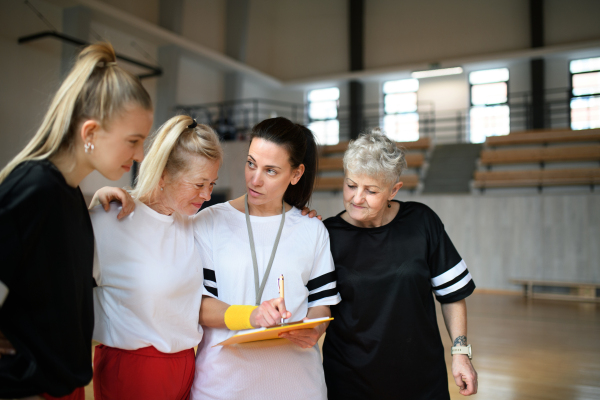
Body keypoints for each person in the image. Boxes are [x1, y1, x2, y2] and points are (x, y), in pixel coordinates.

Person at [0, 42, 153, 400]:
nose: (141, 155)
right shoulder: (33, 187)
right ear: (90, 133)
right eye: (133, 141)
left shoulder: (68, 195)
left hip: (65, 386)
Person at [190, 117, 341, 400]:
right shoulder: (208, 222)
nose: (255, 179)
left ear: (296, 174)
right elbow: (199, 306)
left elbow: (322, 304)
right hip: (222, 387)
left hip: (298, 388)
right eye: (251, 163)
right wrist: (253, 315)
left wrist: (316, 328)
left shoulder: (312, 229)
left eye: (270, 170)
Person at [321, 130, 478, 400]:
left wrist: (461, 353)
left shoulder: (422, 221)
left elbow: (451, 296)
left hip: (422, 380)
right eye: (350, 185)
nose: (357, 198)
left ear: (394, 190)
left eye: (371, 190)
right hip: (349, 382)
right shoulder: (325, 235)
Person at [90, 115, 222, 400]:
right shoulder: (110, 218)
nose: (207, 195)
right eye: (199, 183)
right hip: (132, 371)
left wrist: (298, 212)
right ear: (163, 175)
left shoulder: (190, 222)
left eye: (212, 183)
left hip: (187, 366)